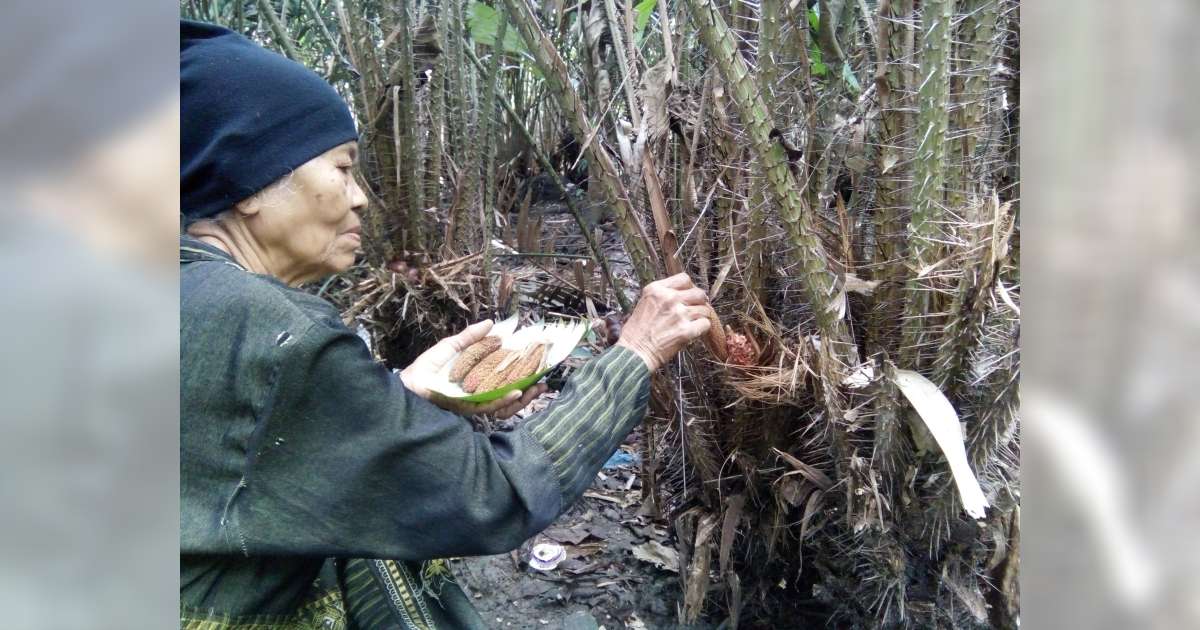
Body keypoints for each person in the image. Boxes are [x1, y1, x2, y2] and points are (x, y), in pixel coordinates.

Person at [180, 20, 712, 629]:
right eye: (343, 168)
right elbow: (487, 492)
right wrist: (635, 353)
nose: (361, 199)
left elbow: (236, 456)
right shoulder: (273, 328)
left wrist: (400, 396)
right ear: (250, 179)